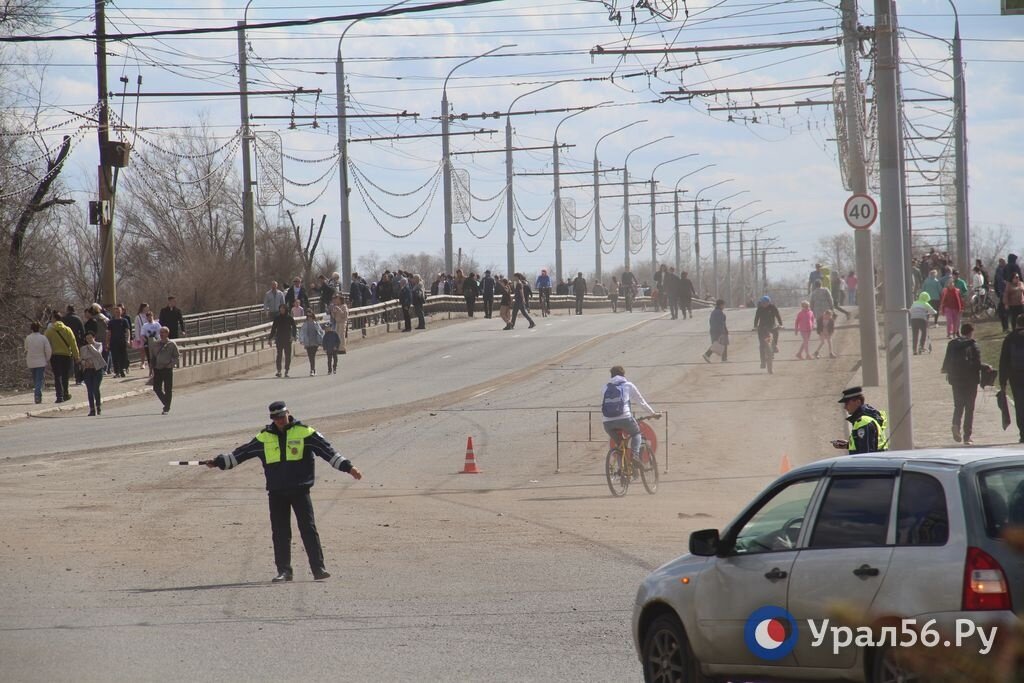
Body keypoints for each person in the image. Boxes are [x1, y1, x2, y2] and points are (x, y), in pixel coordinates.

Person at [205, 401, 362, 582]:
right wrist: (218, 462)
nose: (279, 420)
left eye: (281, 416)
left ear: (288, 413)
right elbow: (240, 454)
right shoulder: (264, 437)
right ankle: (284, 571)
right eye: (275, 418)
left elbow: (328, 452)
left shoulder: (305, 433)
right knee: (280, 532)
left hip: (300, 490)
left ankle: (318, 568)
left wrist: (349, 468)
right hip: (277, 492)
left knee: (308, 529)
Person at [600, 365, 660, 464]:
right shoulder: (628, 385)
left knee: (619, 445)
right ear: (623, 374)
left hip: (607, 422)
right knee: (636, 434)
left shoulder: (605, 387)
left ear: (611, 375)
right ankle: (635, 455)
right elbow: (641, 402)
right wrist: (653, 413)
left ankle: (621, 472)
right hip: (625, 418)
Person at [942, 323, 982, 445]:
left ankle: (955, 425)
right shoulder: (973, 344)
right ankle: (967, 437)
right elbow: (977, 364)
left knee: (958, 406)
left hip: (956, 380)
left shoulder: (952, 344)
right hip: (971, 380)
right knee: (969, 408)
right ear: (971, 332)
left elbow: (946, 362)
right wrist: (987, 368)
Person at [832, 387, 887, 454]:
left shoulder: (864, 422)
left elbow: (866, 453)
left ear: (858, 402)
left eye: (847, 403)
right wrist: (848, 445)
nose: (845, 407)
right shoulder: (867, 419)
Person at [999, 314, 1024, 443]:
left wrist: (1002, 381)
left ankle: (1023, 433)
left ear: (1017, 323)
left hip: (1016, 376)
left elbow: (1004, 360)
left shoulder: (1010, 338)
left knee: (1020, 404)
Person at [45, 311, 78, 403]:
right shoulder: (68, 329)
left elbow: (46, 344)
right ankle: (66, 393)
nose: (51, 320)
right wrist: (76, 356)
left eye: (51, 318)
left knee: (57, 376)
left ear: (55, 319)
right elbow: (73, 343)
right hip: (67, 355)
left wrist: (46, 356)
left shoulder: (49, 331)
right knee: (65, 376)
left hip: (55, 356)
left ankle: (59, 396)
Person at [151, 326, 179, 414]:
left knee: (168, 389)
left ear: (167, 333)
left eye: (163, 332)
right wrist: (152, 367)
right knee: (156, 388)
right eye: (160, 332)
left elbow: (176, 356)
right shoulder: (156, 344)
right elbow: (153, 356)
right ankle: (166, 403)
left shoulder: (172, 344)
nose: (161, 334)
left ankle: (166, 408)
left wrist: (171, 365)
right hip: (158, 369)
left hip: (167, 369)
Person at [79, 330, 105, 416]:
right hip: (88, 370)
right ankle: (92, 409)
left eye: (90, 338)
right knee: (89, 390)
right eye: (87, 338)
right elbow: (82, 358)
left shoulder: (99, 345)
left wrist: (90, 347)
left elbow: (98, 354)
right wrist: (84, 363)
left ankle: (98, 406)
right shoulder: (83, 348)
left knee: (96, 389)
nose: (89, 340)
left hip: (97, 370)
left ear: (94, 337)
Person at [24, 322, 51, 405]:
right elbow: (48, 350)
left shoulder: (28, 338)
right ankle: (37, 395)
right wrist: (47, 358)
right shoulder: (43, 338)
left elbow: (26, 348)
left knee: (36, 379)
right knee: (39, 379)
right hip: (41, 361)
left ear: (31, 329)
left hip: (31, 361)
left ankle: (38, 393)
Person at [753, 295, 783, 369]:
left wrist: (781, 324)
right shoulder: (759, 308)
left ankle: (774, 345)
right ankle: (763, 362)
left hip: (771, 326)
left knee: (776, 332)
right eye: (763, 303)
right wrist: (755, 326)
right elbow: (756, 317)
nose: (764, 304)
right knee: (762, 345)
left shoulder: (773, 307)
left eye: (766, 303)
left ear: (769, 302)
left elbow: (778, 316)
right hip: (762, 328)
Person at [269, 303, 297, 378]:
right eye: (280, 308)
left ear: (286, 309)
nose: (281, 310)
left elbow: (294, 327)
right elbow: (273, 328)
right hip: (279, 339)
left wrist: (293, 336)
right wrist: (270, 338)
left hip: (288, 339)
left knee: (288, 356)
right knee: (279, 355)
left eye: (283, 308)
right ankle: (279, 371)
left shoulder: (289, 317)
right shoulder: (277, 318)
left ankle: (286, 370)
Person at [106, 305, 131, 378]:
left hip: (122, 341)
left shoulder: (124, 321)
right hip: (113, 341)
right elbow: (108, 333)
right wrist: (107, 342)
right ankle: (117, 372)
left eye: (119, 311)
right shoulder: (111, 322)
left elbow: (127, 331)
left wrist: (128, 339)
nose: (117, 313)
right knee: (115, 357)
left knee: (123, 356)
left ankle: (123, 369)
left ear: (121, 312)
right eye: (116, 311)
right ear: (114, 312)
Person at [298, 310, 324, 376]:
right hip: (308, 343)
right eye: (308, 316)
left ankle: (312, 370)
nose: (309, 317)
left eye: (310, 316)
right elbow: (302, 332)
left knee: (312, 356)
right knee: (310, 356)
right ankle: (313, 369)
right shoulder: (305, 324)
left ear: (313, 316)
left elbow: (321, 332)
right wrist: (301, 340)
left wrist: (322, 339)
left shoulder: (316, 323)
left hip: (315, 342)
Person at [134, 303, 152, 370]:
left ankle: (150, 362)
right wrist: (138, 337)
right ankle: (142, 362)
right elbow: (137, 328)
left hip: (149, 335)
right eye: (146, 307)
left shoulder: (149, 315)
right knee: (142, 350)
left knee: (150, 349)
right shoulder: (138, 317)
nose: (147, 309)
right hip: (142, 335)